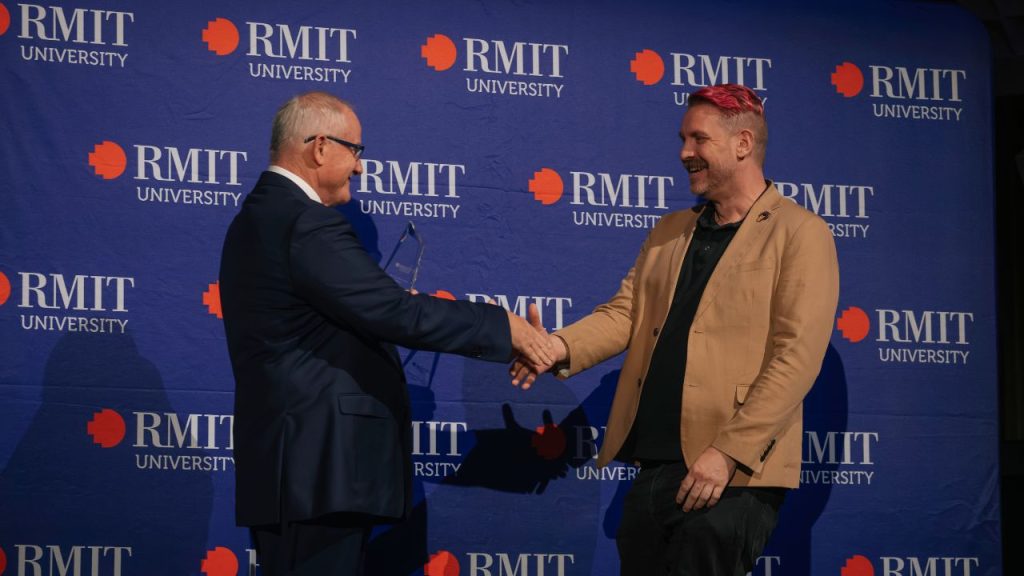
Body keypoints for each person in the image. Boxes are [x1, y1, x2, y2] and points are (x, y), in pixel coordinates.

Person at [219, 91, 553, 575]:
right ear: (319, 147)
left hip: (295, 471)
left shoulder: (259, 217)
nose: (359, 167)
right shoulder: (305, 222)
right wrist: (505, 326)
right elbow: (396, 312)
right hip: (318, 472)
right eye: (355, 150)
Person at [512, 83, 840, 575]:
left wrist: (728, 452)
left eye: (698, 139)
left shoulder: (800, 232)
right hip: (653, 466)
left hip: (733, 473)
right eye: (683, 139)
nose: (685, 152)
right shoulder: (668, 231)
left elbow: (796, 357)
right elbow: (626, 314)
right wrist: (557, 346)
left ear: (743, 143)